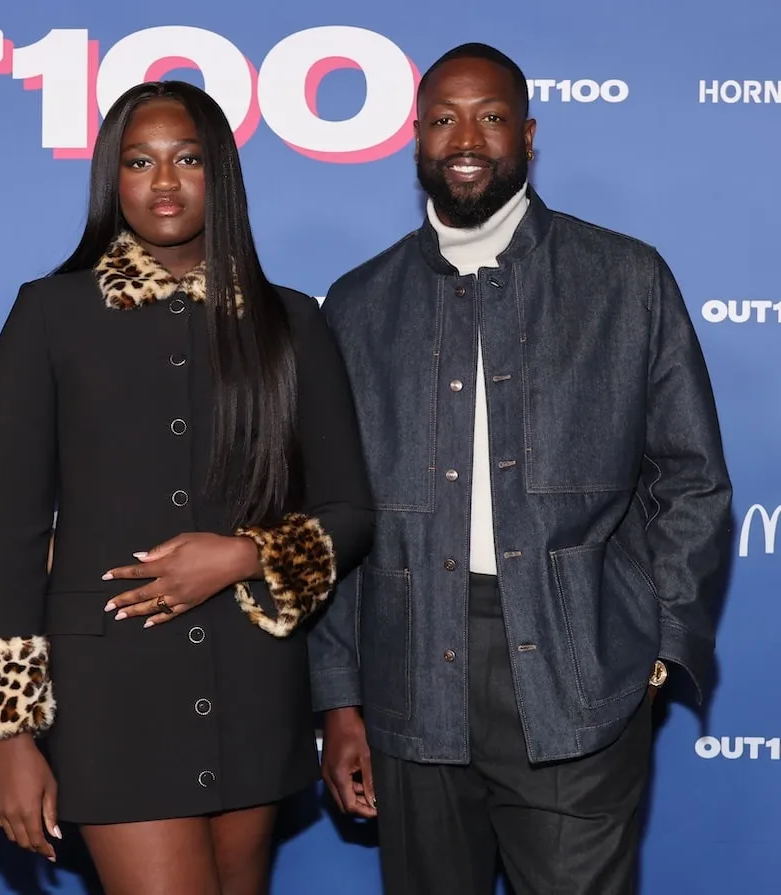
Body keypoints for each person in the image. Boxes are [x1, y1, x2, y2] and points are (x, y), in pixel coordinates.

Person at [310, 42, 732, 895]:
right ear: (416, 137)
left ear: (529, 136)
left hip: (578, 672)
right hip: (408, 674)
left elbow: (691, 480)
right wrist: (338, 695)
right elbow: (331, 514)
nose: (466, 137)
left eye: (491, 117)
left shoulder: (625, 279)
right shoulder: (358, 302)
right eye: (443, 118)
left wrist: (656, 649)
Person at [0, 80, 374, 895]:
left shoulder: (291, 322)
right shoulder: (49, 315)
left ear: (218, 172)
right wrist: (11, 736)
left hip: (252, 686)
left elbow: (352, 511)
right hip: (109, 697)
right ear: (110, 182)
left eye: (187, 159)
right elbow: (11, 539)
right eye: (139, 161)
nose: (164, 181)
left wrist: (242, 555)